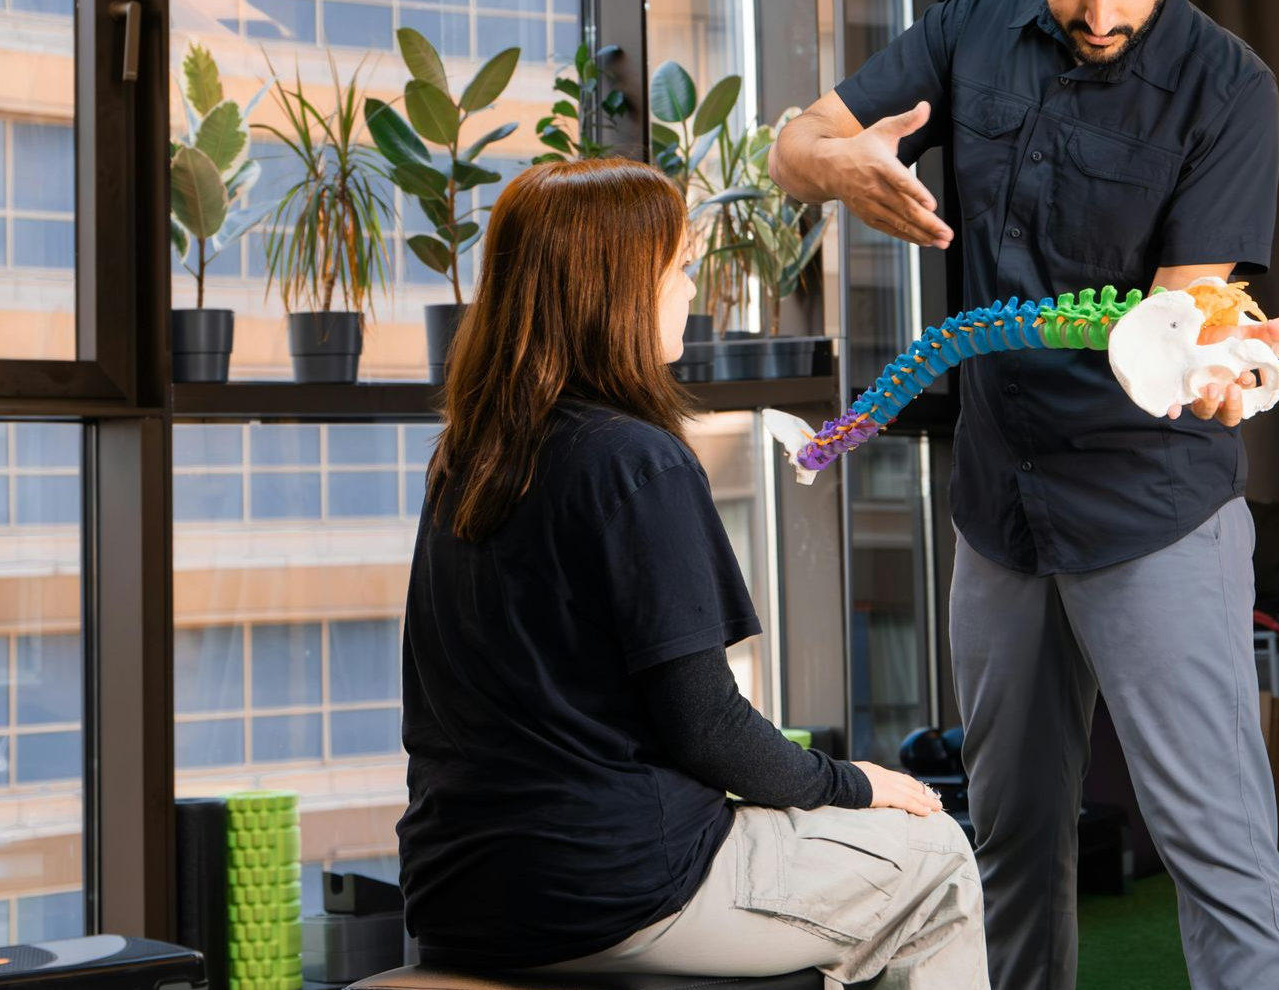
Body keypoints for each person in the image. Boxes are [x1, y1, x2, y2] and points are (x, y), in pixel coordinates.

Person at [767, 0, 1279, 989]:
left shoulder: (1228, 88)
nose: (1101, 14)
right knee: (1006, 842)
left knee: (1215, 848)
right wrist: (842, 165)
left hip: (1150, 504)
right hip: (999, 511)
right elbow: (795, 141)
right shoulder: (970, 29)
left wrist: (1213, 364)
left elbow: (1182, 315)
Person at [395, 158, 989, 988]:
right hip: (618, 894)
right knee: (935, 854)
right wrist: (855, 784)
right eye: (676, 268)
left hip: (458, 894)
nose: (688, 288)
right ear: (616, 290)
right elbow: (705, 726)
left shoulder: (466, 460)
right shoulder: (635, 461)